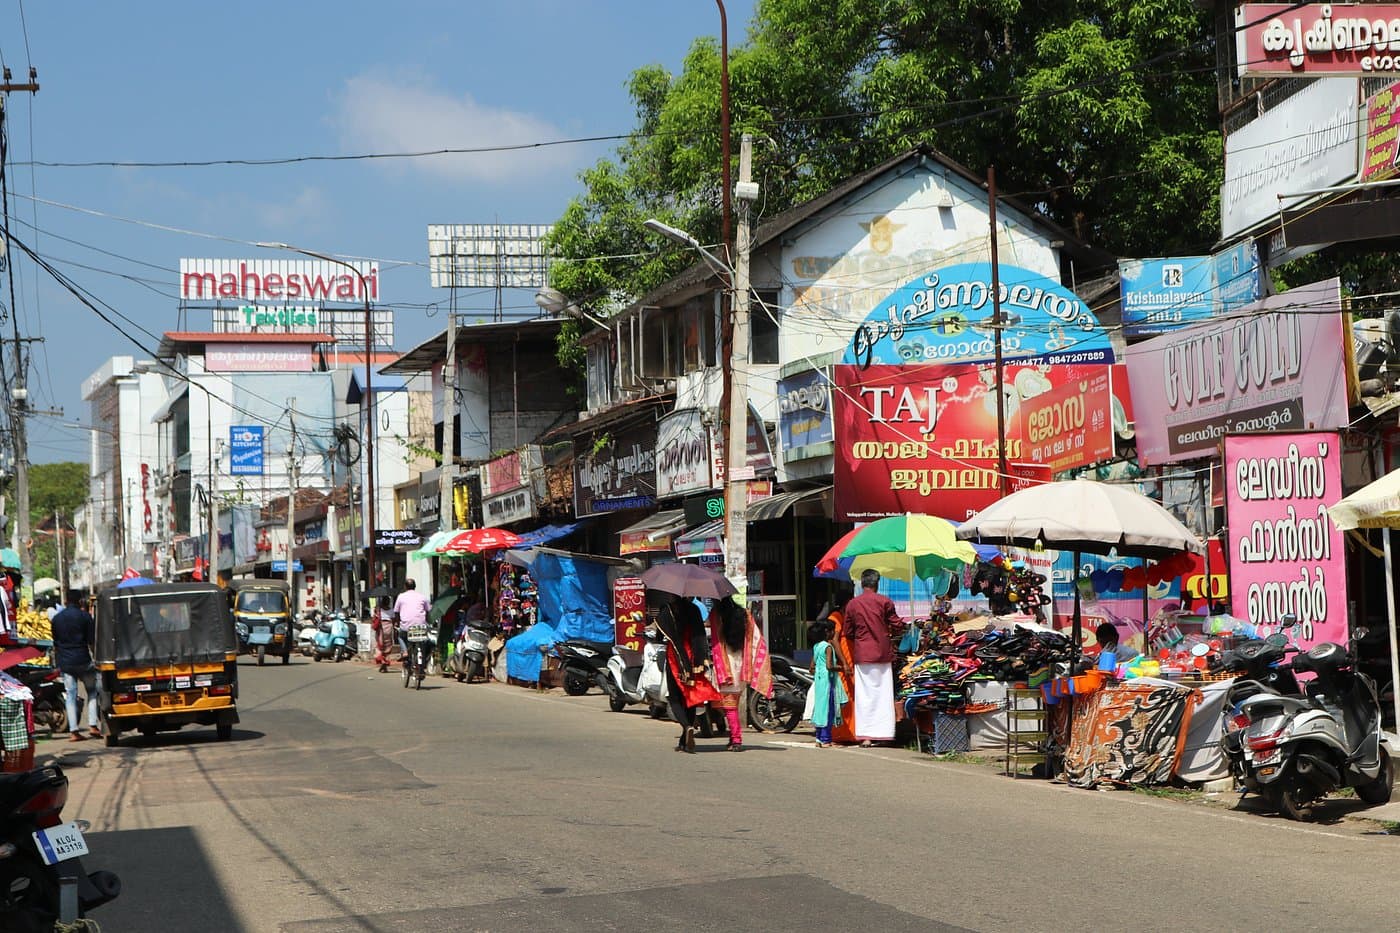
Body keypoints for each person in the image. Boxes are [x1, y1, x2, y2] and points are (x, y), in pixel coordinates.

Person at [653, 593, 721, 753]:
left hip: (675, 656)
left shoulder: (667, 611)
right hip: (693, 656)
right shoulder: (694, 610)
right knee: (689, 697)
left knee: (674, 698)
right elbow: (700, 635)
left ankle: (687, 727)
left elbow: (659, 636)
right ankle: (684, 741)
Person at [842, 569, 902, 747]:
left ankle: (866, 736)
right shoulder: (885, 601)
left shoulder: (853, 604)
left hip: (862, 654)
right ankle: (884, 734)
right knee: (883, 694)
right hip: (883, 653)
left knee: (864, 696)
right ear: (877, 583)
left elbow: (848, 632)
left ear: (862, 583)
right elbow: (897, 624)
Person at [709, 598, 773, 752]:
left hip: (725, 667)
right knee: (732, 706)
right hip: (743, 667)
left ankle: (736, 740)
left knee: (730, 707)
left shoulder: (716, 616)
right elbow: (755, 638)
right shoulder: (745, 615)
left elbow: (714, 639)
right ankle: (733, 738)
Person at [50, 591, 101, 742]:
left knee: (70, 696)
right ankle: (93, 725)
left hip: (66, 663)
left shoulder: (57, 619)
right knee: (92, 692)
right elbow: (91, 641)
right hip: (83, 660)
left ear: (65, 601)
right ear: (80, 601)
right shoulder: (85, 617)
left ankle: (74, 731)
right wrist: (95, 658)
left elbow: (56, 643)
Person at [808, 620, 849, 747]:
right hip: (828, 681)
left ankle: (819, 738)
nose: (834, 633)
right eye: (833, 631)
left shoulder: (816, 646)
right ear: (827, 632)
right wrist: (842, 668)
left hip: (819, 682)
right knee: (829, 709)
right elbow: (830, 666)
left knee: (820, 708)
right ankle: (826, 739)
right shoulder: (828, 647)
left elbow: (811, 667)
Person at [393, 579, 432, 659]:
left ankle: (405, 651)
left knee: (400, 636)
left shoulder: (401, 596)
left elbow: (396, 612)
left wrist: (397, 622)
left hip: (406, 627)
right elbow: (428, 611)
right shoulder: (422, 597)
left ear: (405, 587)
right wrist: (427, 621)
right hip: (421, 627)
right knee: (424, 641)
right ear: (415, 586)